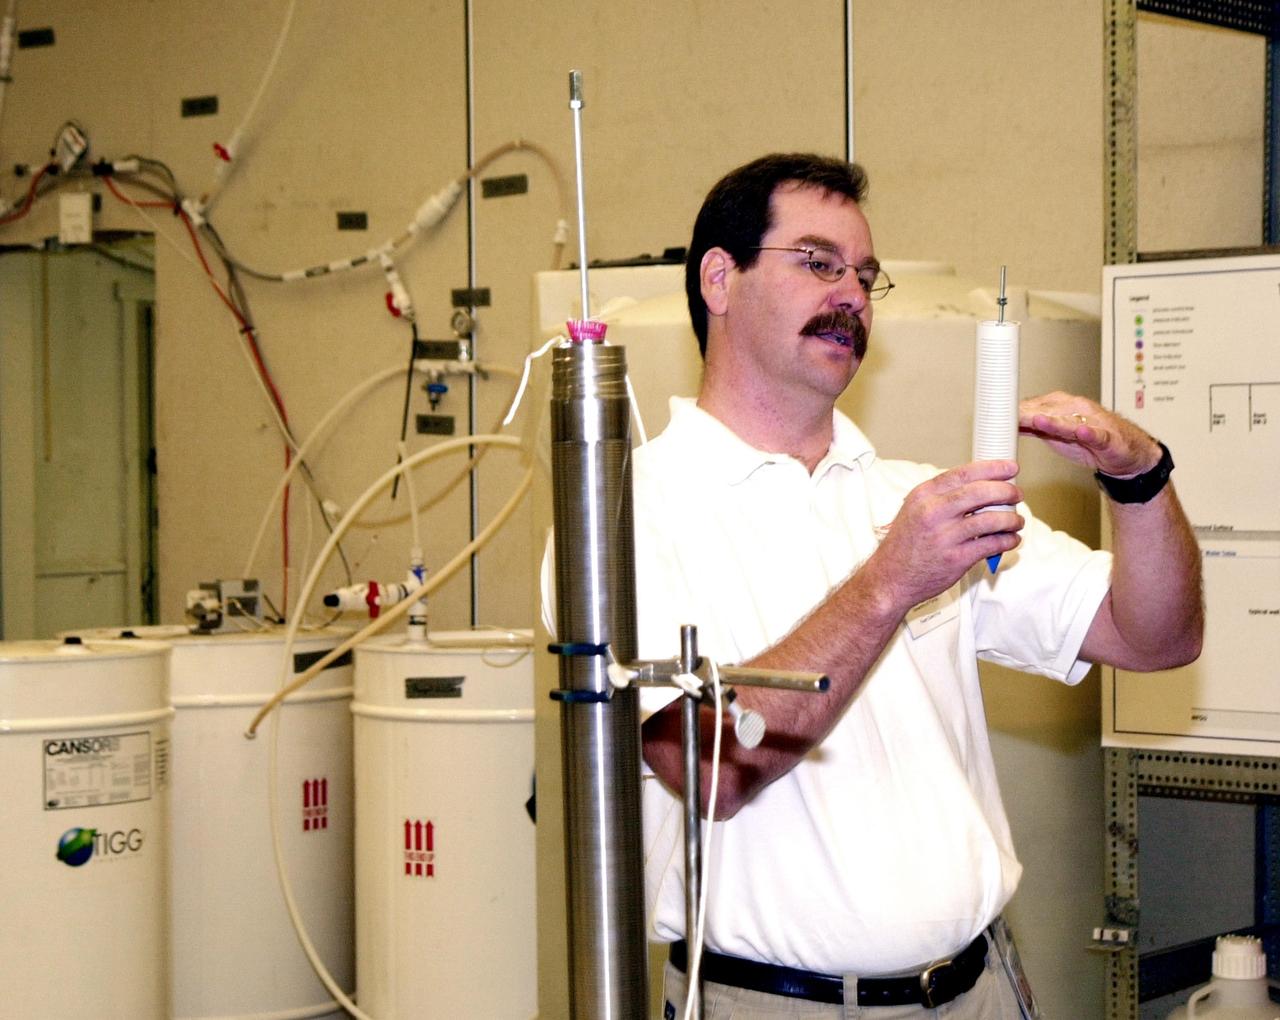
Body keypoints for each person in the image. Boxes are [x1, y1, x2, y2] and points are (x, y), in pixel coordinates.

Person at [633, 153, 1203, 1018]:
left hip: (978, 990)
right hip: (778, 1004)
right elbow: (715, 769)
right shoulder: (638, 511)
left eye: (865, 275)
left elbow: (1155, 637)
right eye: (820, 263)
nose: (853, 295)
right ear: (720, 276)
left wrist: (1141, 480)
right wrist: (893, 580)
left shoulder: (910, 497)